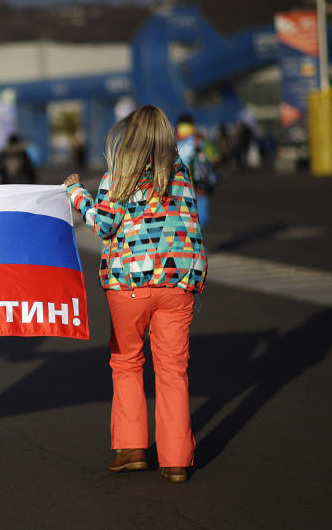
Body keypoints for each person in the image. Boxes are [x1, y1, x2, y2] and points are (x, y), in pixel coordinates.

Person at [63, 104, 207, 484]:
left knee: (127, 362)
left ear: (130, 134)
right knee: (172, 370)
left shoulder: (118, 176)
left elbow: (104, 225)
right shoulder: (180, 173)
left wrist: (76, 193)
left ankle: (132, 448)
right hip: (179, 282)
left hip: (130, 284)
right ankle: (177, 460)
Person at [175, 114, 218, 227]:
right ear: (192, 125)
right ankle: (194, 238)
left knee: (182, 215)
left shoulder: (172, 140)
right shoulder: (198, 139)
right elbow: (215, 156)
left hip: (178, 184)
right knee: (202, 215)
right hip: (199, 182)